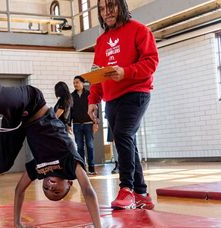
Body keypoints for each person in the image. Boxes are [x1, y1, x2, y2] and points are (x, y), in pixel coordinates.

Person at [0, 17, 101, 228]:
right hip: (32, 103)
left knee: (1, 163)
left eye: (46, 190)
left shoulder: (39, 170)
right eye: (57, 190)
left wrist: (17, 222)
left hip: (20, 123)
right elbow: (88, 191)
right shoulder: (71, 165)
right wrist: (98, 226)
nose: (50, 187)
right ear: (69, 184)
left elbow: (19, 190)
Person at [87, 0, 159, 210]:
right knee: (127, 141)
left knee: (123, 135)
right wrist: (93, 100)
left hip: (136, 93)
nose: (106, 12)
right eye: (101, 9)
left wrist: (126, 72)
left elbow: (151, 62)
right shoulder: (101, 41)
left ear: (121, 6)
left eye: (111, 7)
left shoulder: (139, 30)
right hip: (112, 98)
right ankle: (142, 193)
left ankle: (126, 188)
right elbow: (97, 73)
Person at [69, 76, 98, 175]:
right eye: (74, 83)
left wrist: (95, 123)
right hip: (76, 125)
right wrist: (69, 124)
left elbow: (94, 110)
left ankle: (92, 168)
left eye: (77, 82)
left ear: (82, 83)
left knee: (90, 146)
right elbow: (69, 111)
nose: (75, 84)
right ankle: (82, 169)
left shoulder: (89, 94)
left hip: (88, 124)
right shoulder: (71, 96)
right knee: (80, 147)